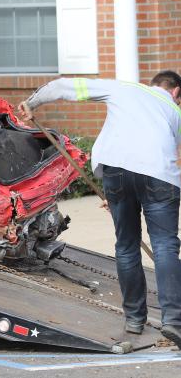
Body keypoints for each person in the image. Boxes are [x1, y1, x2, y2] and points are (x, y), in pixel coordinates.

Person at [18, 71, 181, 347]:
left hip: (116, 172)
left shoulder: (122, 87)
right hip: (160, 178)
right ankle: (174, 321)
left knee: (126, 245)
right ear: (176, 92)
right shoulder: (174, 110)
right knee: (165, 246)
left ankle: (133, 321)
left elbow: (63, 86)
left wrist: (31, 104)